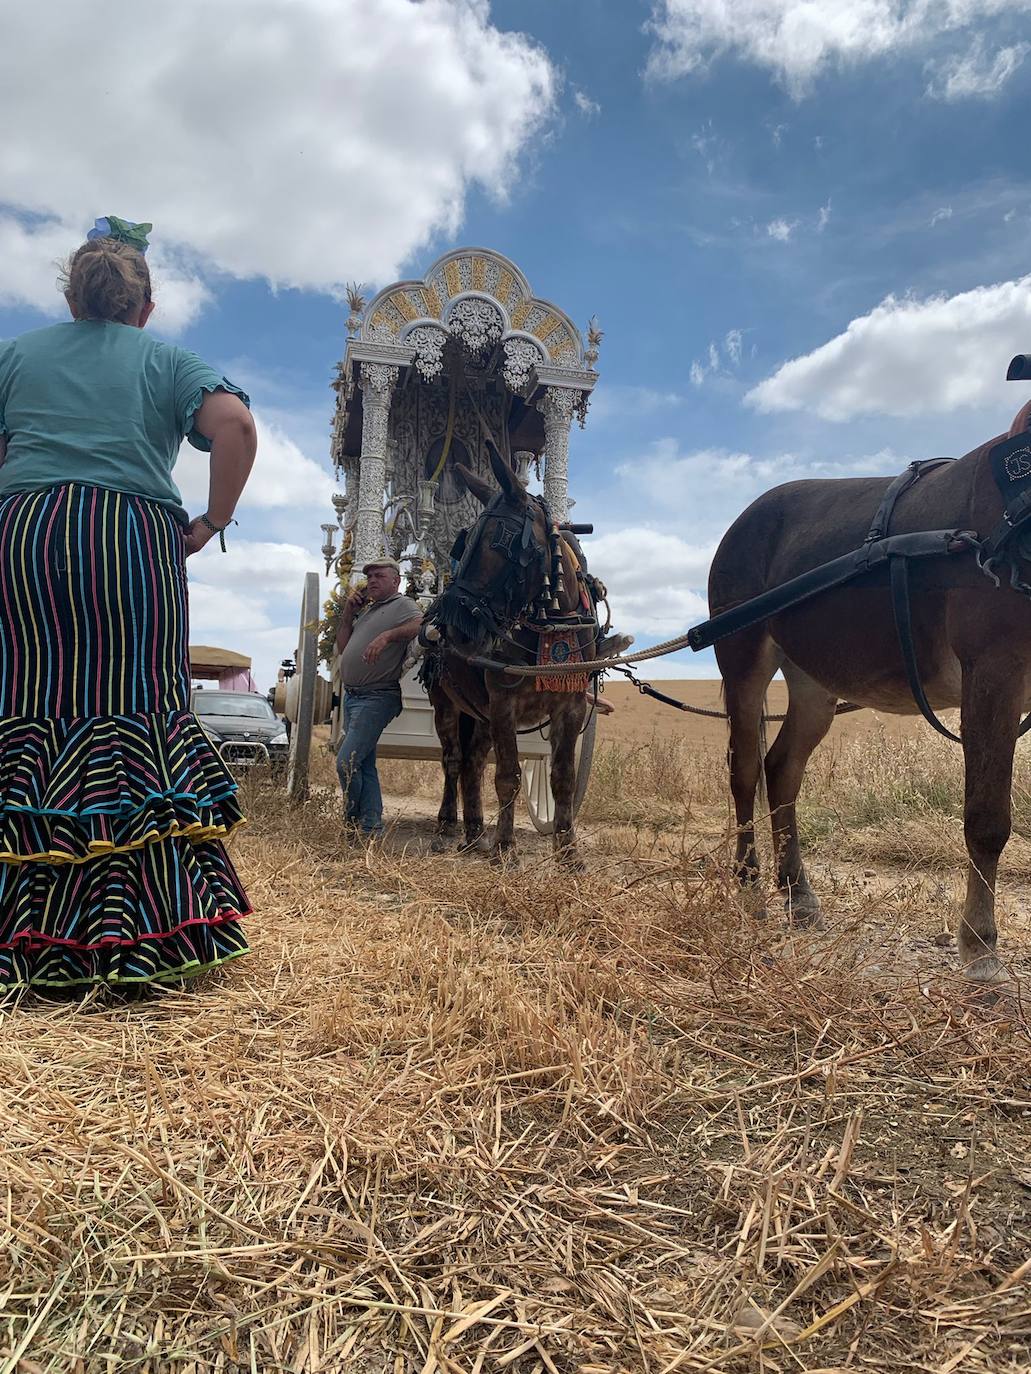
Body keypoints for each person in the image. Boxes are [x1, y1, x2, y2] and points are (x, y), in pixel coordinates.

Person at [0, 216, 257, 995]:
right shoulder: (168, 359)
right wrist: (211, 522)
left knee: (25, 699)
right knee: (135, 707)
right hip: (130, 537)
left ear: (73, 299)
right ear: (143, 309)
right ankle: (135, 936)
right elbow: (236, 426)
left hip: (28, 532)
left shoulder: (17, 355)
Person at [335, 558, 422, 838]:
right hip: (353, 697)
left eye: (379, 576)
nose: (372, 580)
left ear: (396, 580)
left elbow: (422, 626)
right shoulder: (368, 611)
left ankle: (351, 822)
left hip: (377, 696)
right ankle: (371, 828)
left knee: (346, 762)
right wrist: (349, 614)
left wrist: (387, 636)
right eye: (369, 576)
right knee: (364, 764)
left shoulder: (403, 605)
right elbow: (343, 647)